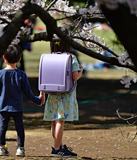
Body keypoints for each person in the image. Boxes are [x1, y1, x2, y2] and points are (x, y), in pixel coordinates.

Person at [0, 44, 44, 157]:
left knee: (2, 127)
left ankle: (1, 148)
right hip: (17, 107)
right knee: (19, 128)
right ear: (19, 59)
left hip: (3, 107)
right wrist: (38, 100)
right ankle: (20, 148)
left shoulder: (0, 74)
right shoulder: (22, 75)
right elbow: (27, 93)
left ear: (4, 58)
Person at [41, 28, 83, 157]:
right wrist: (81, 70)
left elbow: (43, 76)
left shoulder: (49, 58)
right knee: (60, 121)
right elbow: (75, 77)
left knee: (54, 121)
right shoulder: (71, 57)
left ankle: (58, 145)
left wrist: (42, 93)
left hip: (52, 94)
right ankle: (56, 149)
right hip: (65, 96)